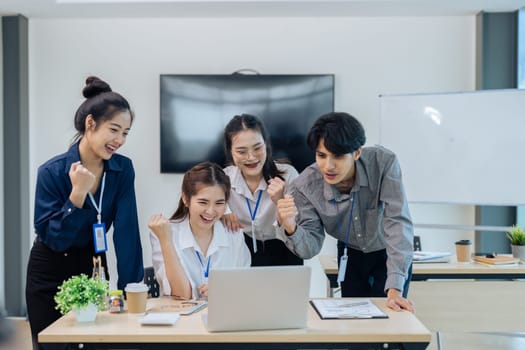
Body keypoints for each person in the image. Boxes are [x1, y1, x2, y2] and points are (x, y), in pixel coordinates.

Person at [26, 76, 144, 350]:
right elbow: (55, 238)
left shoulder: (122, 170)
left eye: (125, 133)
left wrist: (132, 290)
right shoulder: (52, 172)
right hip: (50, 271)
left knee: (97, 344)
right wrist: (77, 195)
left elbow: (127, 232)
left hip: (94, 267)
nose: (119, 140)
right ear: (90, 124)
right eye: (114, 130)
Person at [277, 112, 414, 312]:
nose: (328, 166)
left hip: (389, 251)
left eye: (338, 156)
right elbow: (310, 247)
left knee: (391, 321)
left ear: (356, 153)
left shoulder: (383, 163)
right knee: (355, 324)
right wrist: (290, 226)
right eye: (321, 155)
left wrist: (394, 288)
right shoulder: (304, 186)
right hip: (350, 254)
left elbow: (397, 221)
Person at [149, 162, 251, 299]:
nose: (210, 211)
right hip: (181, 317)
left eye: (219, 203)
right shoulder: (164, 233)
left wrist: (225, 291)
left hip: (224, 316)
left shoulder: (233, 233)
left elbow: (246, 287)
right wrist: (166, 241)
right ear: (186, 199)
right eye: (203, 202)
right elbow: (181, 295)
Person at [222, 114, 302, 266]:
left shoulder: (288, 174)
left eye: (257, 148)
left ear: (266, 145)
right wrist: (223, 212)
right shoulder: (224, 179)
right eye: (241, 151)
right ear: (230, 151)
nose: (251, 157)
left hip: (284, 248)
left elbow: (298, 227)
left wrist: (279, 202)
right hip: (242, 250)